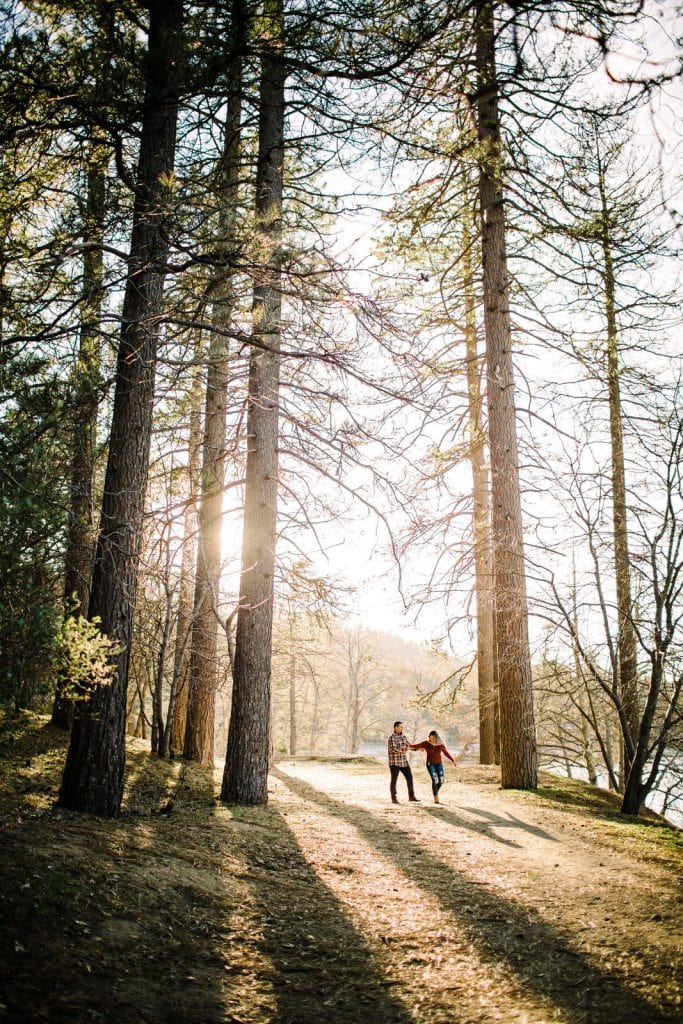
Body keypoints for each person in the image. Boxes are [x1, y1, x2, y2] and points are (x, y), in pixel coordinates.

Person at [409, 730, 457, 804]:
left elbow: (446, 753)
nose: (431, 739)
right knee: (435, 779)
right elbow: (415, 746)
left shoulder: (440, 744)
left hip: (439, 764)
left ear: (436, 738)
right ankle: (436, 797)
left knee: (441, 781)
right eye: (430, 738)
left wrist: (452, 760)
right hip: (430, 764)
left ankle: (435, 790)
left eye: (433, 738)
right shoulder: (426, 743)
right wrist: (407, 745)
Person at [387, 721, 420, 804]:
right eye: (400, 727)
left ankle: (411, 796)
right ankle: (394, 798)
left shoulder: (403, 737)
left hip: (403, 761)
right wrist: (405, 749)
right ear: (395, 727)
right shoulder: (392, 737)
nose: (402, 728)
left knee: (409, 777)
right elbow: (394, 750)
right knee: (394, 779)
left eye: (402, 727)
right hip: (394, 762)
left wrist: (418, 748)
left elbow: (410, 746)